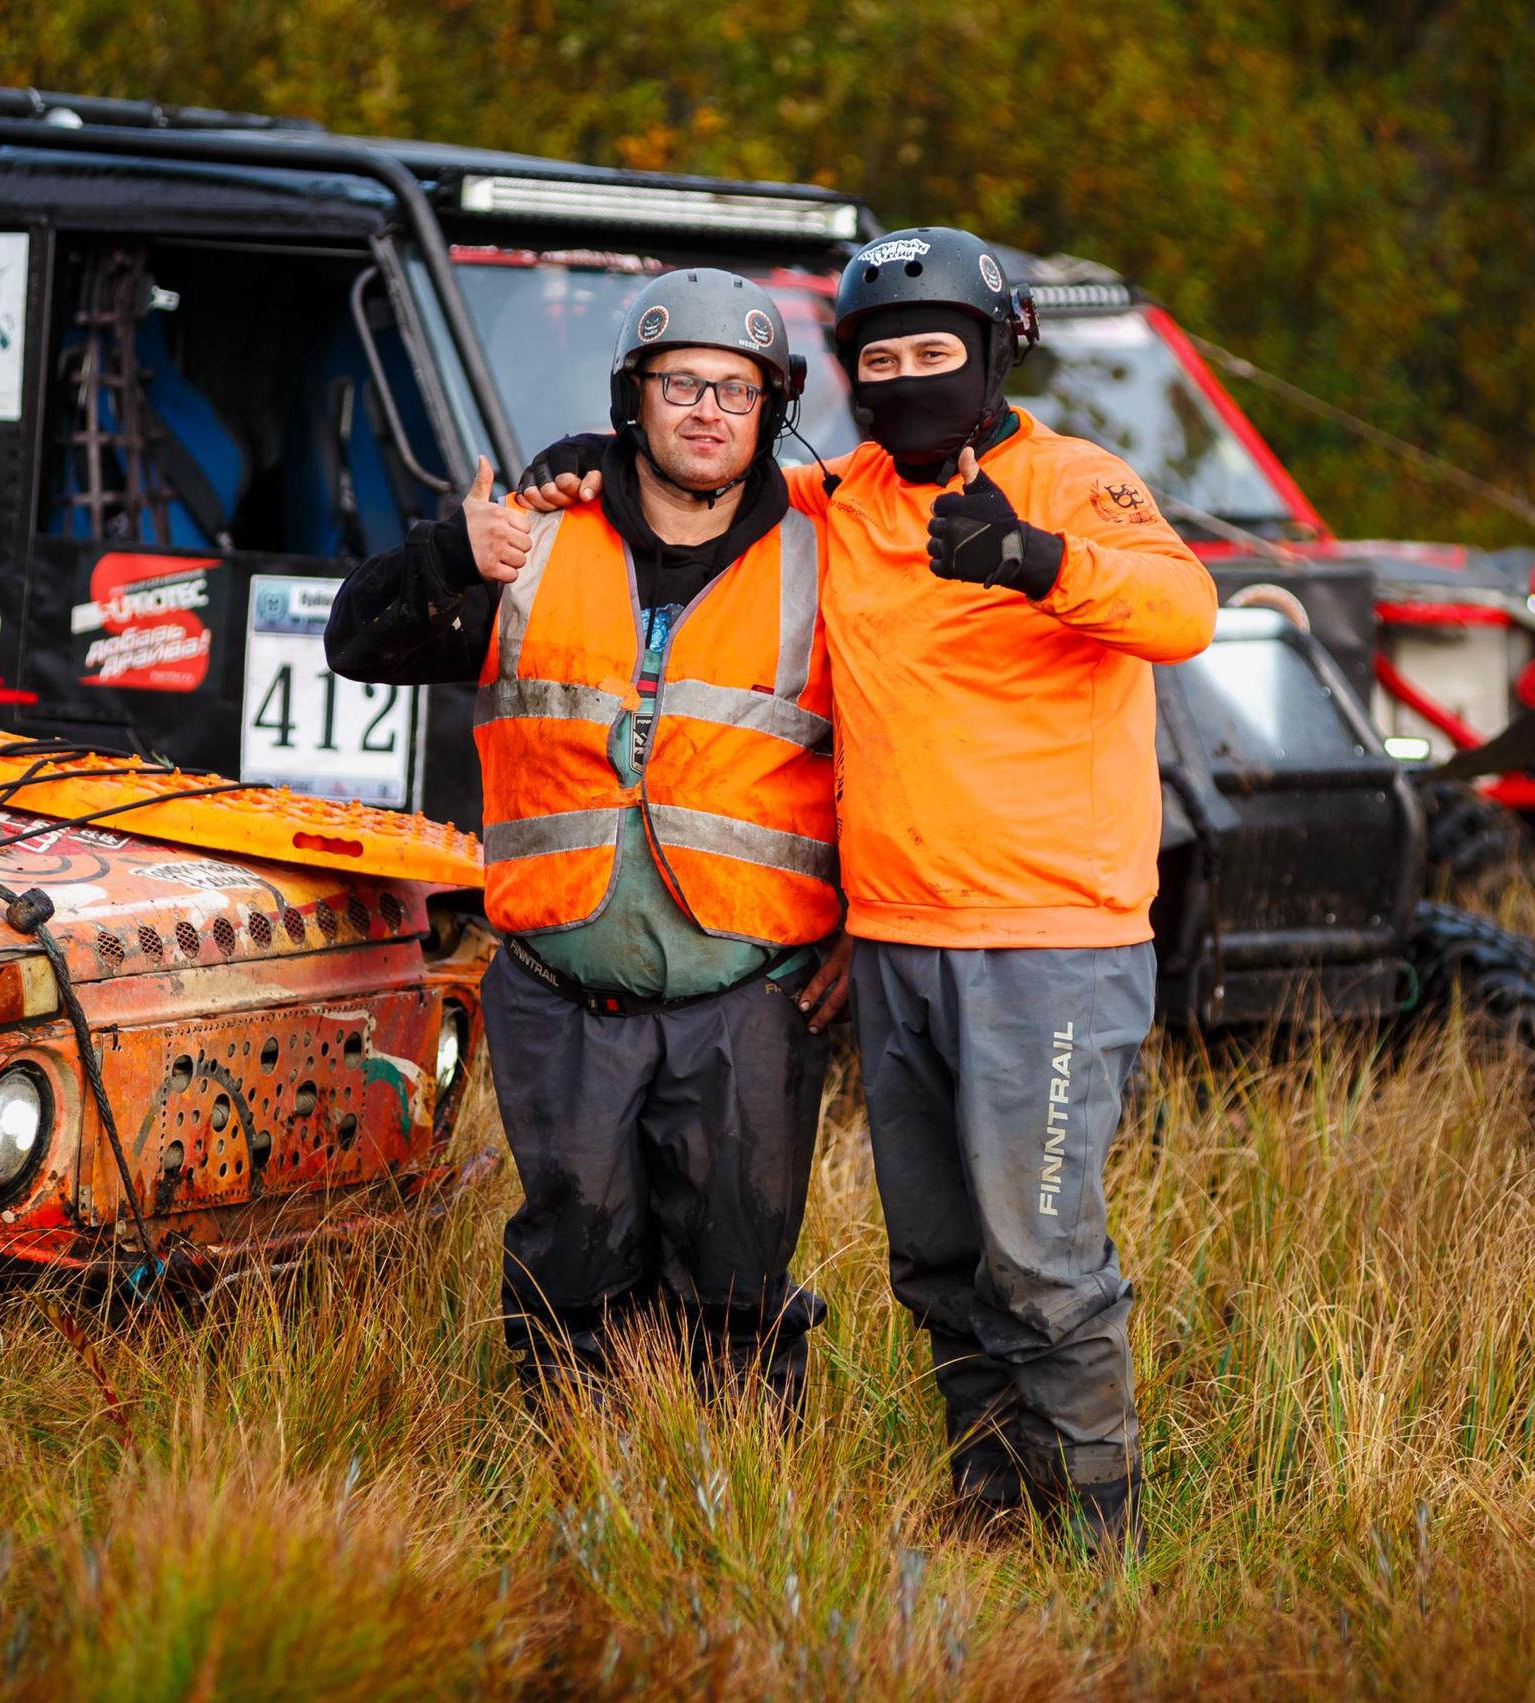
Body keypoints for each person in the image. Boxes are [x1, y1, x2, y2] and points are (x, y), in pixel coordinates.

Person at [515, 228, 1217, 1544]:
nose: (906, 380)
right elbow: (707, 479)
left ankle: (1103, 1529)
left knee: (1041, 1256)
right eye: (877, 361)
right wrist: (592, 466)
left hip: (1050, 940)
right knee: (939, 1255)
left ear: (997, 349)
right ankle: (995, 1498)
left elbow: (1186, 609)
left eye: (934, 353)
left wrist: (1039, 560)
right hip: (893, 943)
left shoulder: (1073, 478)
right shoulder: (842, 496)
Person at [326, 269, 853, 1413]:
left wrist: (872, 925)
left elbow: (896, 755)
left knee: (736, 1285)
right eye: (680, 383)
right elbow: (357, 640)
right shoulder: (531, 538)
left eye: (737, 388)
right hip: (560, 992)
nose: (708, 409)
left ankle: (746, 1513)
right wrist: (448, 554)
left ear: (773, 410)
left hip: (750, 999)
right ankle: (569, 1495)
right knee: (570, 1269)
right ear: (632, 399)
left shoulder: (828, 550)